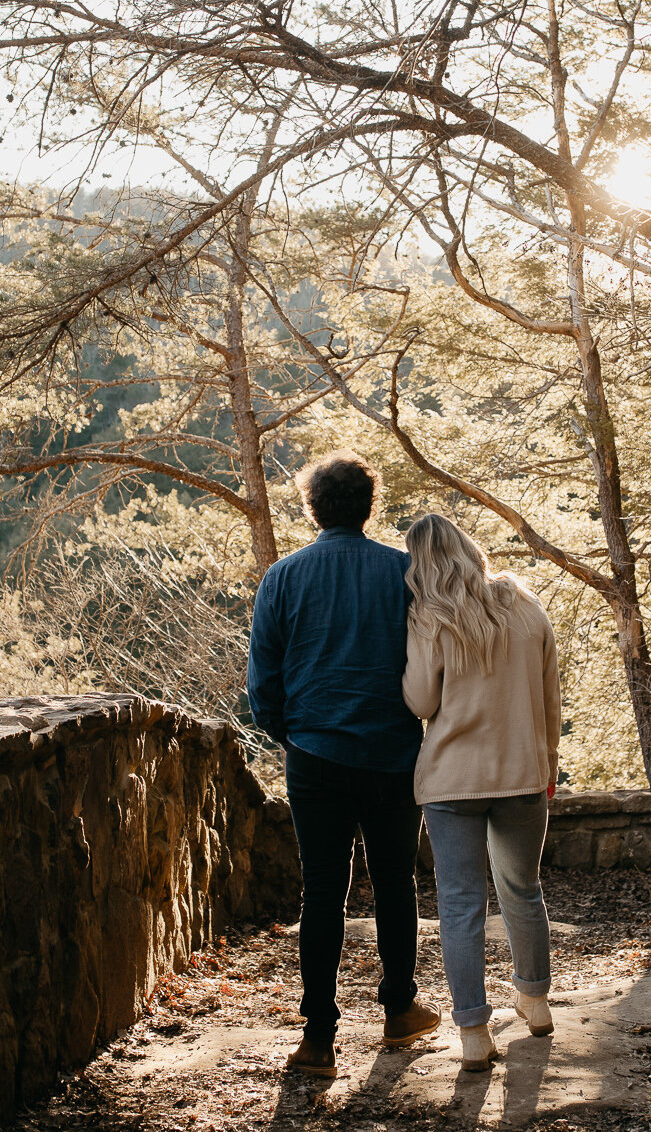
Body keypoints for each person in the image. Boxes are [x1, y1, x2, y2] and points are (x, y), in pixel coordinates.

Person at [247, 451, 441, 1077]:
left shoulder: (282, 577)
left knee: (323, 891)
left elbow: (263, 683)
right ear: (368, 506)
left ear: (313, 508)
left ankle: (319, 1039)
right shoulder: (405, 572)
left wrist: (293, 736)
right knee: (394, 883)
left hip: (314, 755)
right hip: (391, 754)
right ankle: (399, 1010)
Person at [402, 512, 561, 1073]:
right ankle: (535, 1002)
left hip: (453, 782)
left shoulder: (429, 619)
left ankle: (473, 1031)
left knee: (461, 905)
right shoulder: (524, 603)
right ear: (471, 549)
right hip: (522, 774)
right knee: (523, 889)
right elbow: (549, 694)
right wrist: (549, 766)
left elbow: (421, 702)